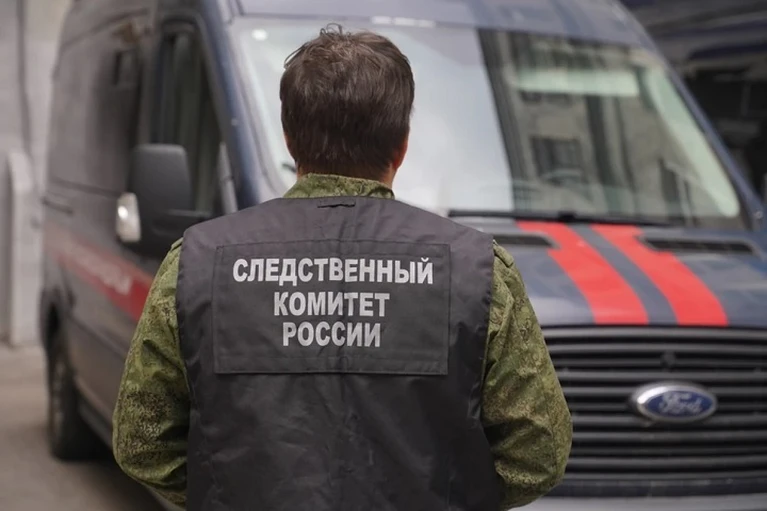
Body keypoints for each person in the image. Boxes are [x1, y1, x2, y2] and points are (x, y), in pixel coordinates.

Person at [112, 24, 572, 511]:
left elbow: (142, 443)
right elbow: (538, 455)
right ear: (402, 146)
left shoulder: (198, 263)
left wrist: (232, 490)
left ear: (289, 140)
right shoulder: (476, 271)